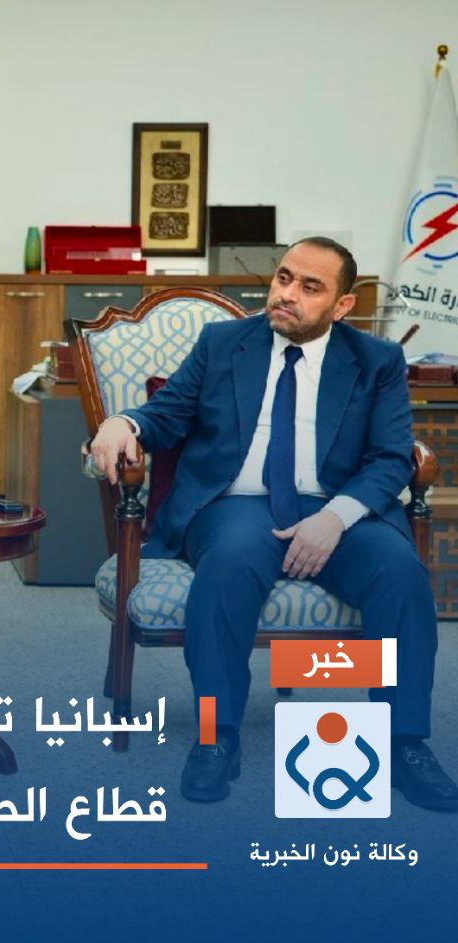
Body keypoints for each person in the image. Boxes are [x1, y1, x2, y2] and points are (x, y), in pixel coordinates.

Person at [89, 237, 456, 810]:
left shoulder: (376, 360)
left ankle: (404, 742)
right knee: (227, 566)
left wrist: (335, 517)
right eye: (284, 278)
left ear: (342, 306)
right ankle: (216, 735)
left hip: (337, 506)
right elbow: (167, 414)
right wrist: (124, 424)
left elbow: (390, 457)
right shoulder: (222, 343)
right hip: (237, 503)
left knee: (402, 576)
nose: (287, 293)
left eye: (310, 287)